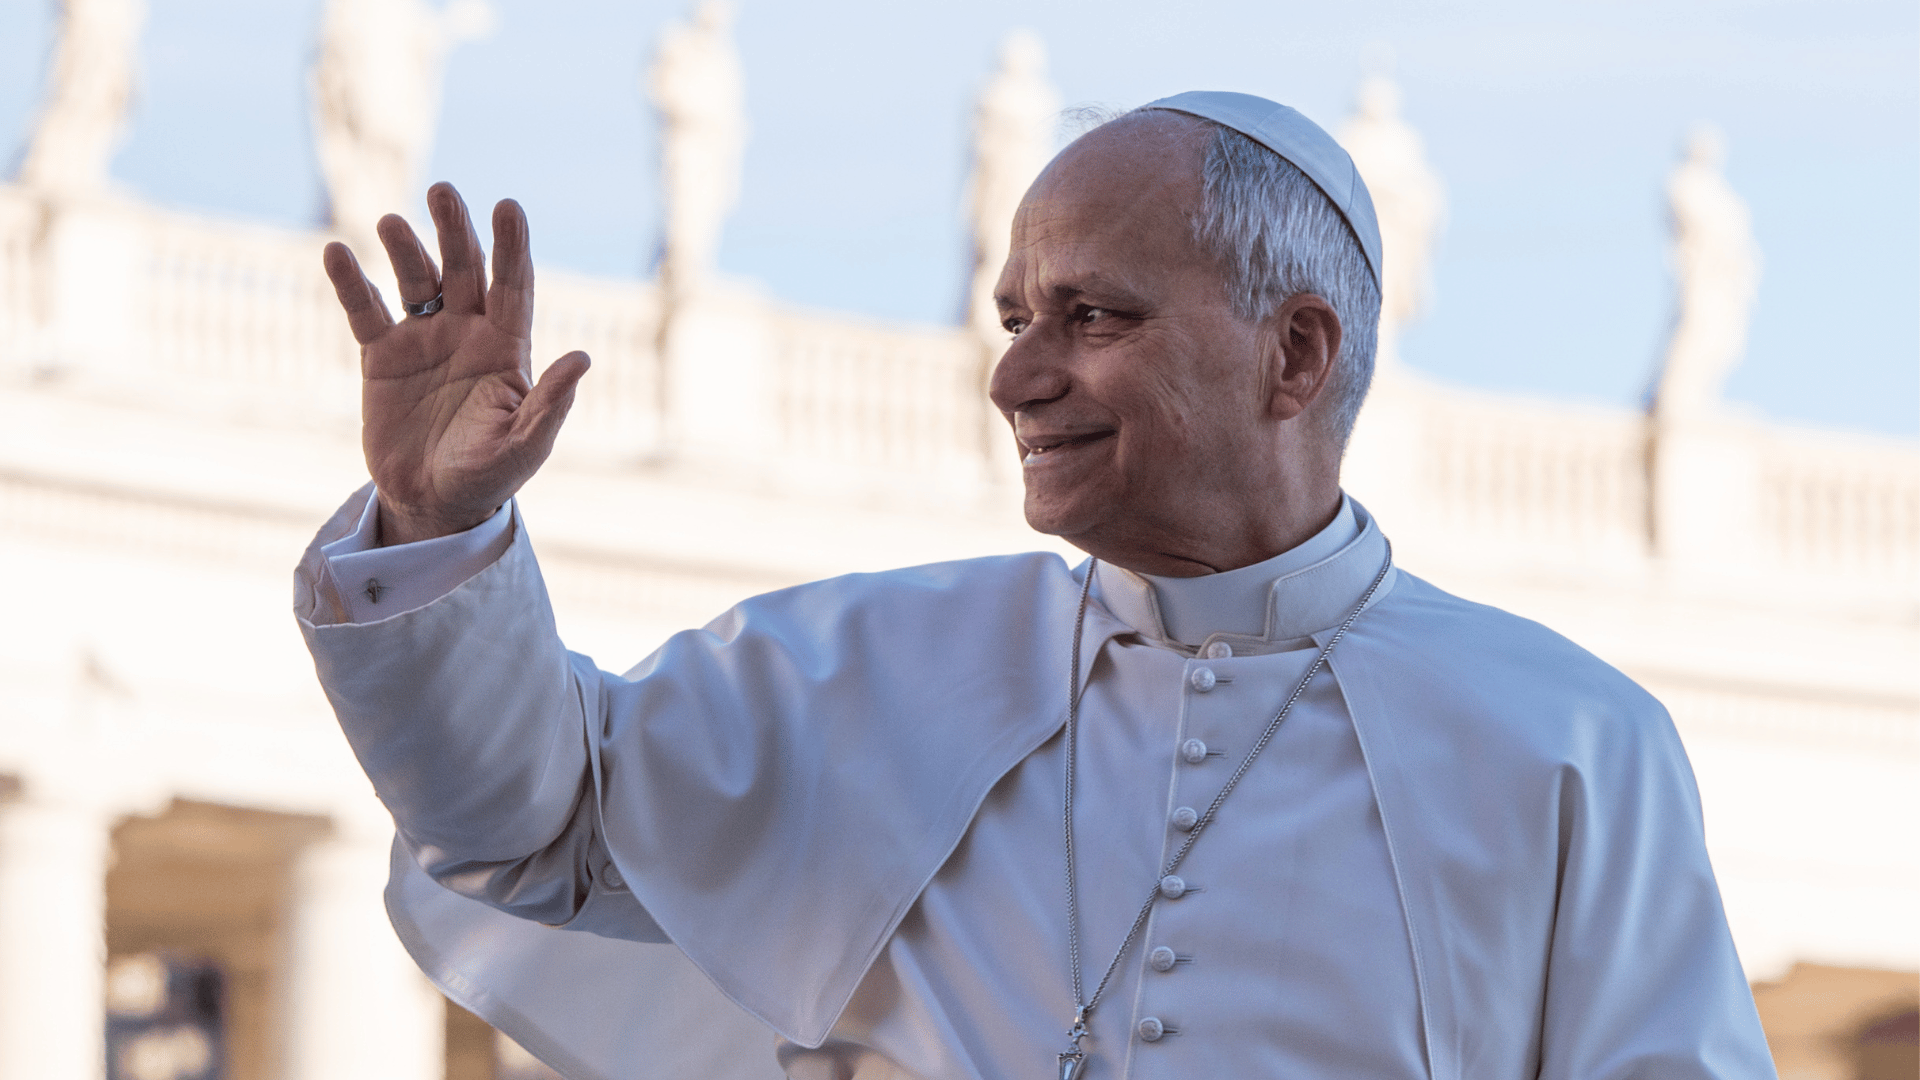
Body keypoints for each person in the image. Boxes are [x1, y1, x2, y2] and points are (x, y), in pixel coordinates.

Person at [296, 92, 1777, 1080]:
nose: (1015, 373)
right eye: (1014, 316)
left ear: (1298, 354)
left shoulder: (1570, 744)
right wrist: (436, 525)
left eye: (1091, 317)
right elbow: (519, 828)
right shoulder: (870, 668)